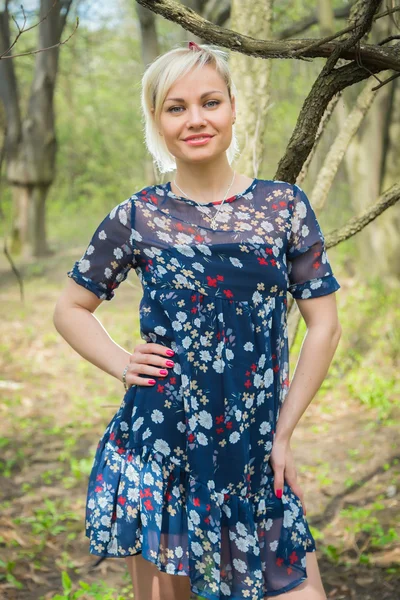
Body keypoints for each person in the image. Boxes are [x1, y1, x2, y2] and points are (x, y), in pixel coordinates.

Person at [53, 40, 341, 600]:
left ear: (234, 107)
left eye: (210, 102)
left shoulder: (284, 207)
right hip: (163, 446)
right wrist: (121, 361)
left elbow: (324, 325)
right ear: (157, 122)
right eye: (176, 108)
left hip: (255, 447)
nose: (196, 120)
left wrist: (284, 432)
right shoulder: (138, 215)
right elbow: (70, 308)